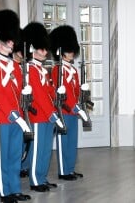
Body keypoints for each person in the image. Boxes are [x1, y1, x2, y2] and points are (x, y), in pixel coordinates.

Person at [0, 9, 31, 203]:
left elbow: (17, 91)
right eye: (8, 40)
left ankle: (15, 189)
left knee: (15, 156)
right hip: (3, 118)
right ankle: (5, 191)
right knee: (2, 157)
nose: (12, 43)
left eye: (12, 40)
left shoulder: (16, 66)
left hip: (17, 117)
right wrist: (14, 115)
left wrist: (25, 97)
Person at [22, 22, 64, 192]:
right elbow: (38, 95)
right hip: (38, 116)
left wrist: (57, 94)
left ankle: (42, 177)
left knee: (46, 149)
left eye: (46, 49)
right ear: (32, 48)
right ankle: (34, 180)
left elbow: (48, 92)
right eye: (41, 49)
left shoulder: (42, 70)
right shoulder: (29, 69)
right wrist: (52, 113)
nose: (45, 52)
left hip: (47, 115)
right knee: (37, 150)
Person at [49, 25, 89, 181]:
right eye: (68, 50)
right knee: (63, 141)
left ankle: (70, 169)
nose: (71, 53)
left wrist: (83, 93)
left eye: (72, 50)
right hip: (64, 111)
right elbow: (64, 93)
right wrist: (76, 107)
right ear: (61, 51)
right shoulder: (58, 70)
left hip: (73, 111)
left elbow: (75, 91)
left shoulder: (73, 69)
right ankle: (63, 171)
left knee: (72, 141)